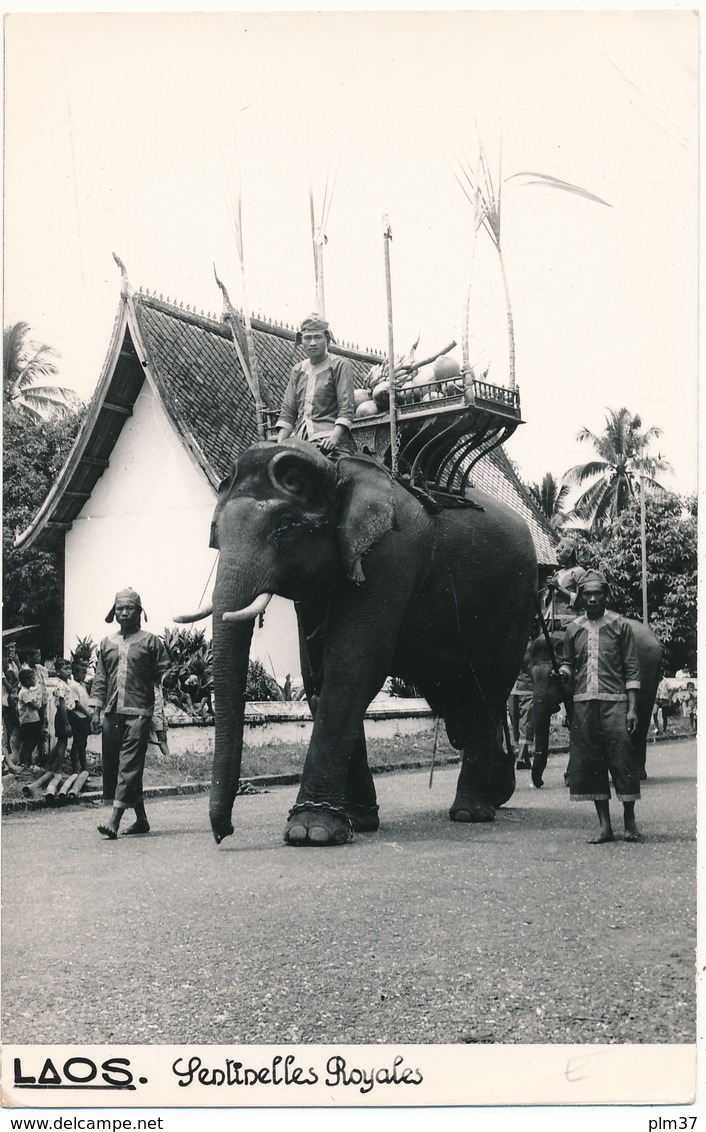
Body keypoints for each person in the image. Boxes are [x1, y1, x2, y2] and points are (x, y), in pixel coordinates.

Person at [559, 570, 642, 844]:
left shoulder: (621, 626)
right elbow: (569, 665)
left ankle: (629, 821)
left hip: (615, 705)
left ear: (606, 595)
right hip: (583, 706)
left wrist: (632, 708)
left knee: (622, 761)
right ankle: (605, 827)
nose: (593, 599)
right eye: (587, 594)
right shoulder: (573, 629)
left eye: (598, 593)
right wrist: (565, 673)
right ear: (581, 597)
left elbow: (631, 668)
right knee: (592, 764)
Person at [90, 588, 171, 839]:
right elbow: (101, 678)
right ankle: (142, 819)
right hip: (112, 713)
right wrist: (96, 710)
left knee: (129, 764)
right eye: (119, 608)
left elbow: (164, 673)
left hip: (139, 712)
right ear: (113, 612)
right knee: (115, 765)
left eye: (129, 608)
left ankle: (113, 821)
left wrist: (174, 678)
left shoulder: (151, 642)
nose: (124, 613)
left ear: (139, 612)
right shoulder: (106, 644)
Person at [276, 313, 357, 456]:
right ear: (301, 340)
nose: (312, 343)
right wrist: (278, 446)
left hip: (331, 440)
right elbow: (288, 411)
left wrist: (333, 438)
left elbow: (346, 407)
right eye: (307, 338)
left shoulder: (339, 366)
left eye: (318, 337)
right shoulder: (297, 370)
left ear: (327, 339)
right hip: (301, 440)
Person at [543, 537, 587, 631]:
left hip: (567, 622)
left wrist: (559, 587)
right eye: (557, 552)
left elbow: (582, 601)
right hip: (550, 620)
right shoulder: (558, 573)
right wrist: (551, 591)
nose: (557, 555)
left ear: (569, 553)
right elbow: (547, 602)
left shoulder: (580, 572)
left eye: (560, 552)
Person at [46, 659, 74, 772]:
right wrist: (66, 723)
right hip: (63, 715)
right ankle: (59, 770)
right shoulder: (61, 685)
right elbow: (62, 705)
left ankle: (48, 766)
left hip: (66, 715)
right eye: (65, 669)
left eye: (69, 668)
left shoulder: (67, 684)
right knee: (63, 743)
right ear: (58, 671)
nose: (68, 671)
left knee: (60, 743)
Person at [67, 660, 93, 774]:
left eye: (85, 673)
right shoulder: (73, 686)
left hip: (84, 717)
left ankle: (84, 768)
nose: (84, 676)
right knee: (77, 743)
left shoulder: (81, 685)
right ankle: (75, 769)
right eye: (82, 673)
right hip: (78, 717)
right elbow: (76, 704)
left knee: (83, 743)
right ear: (75, 674)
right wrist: (88, 715)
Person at [16, 668, 44, 768]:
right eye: (33, 678)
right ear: (27, 681)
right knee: (28, 741)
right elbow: (33, 705)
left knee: (34, 739)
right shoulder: (24, 692)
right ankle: (24, 762)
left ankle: (28, 761)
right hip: (28, 721)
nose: (35, 680)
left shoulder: (28, 691)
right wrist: (38, 706)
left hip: (34, 719)